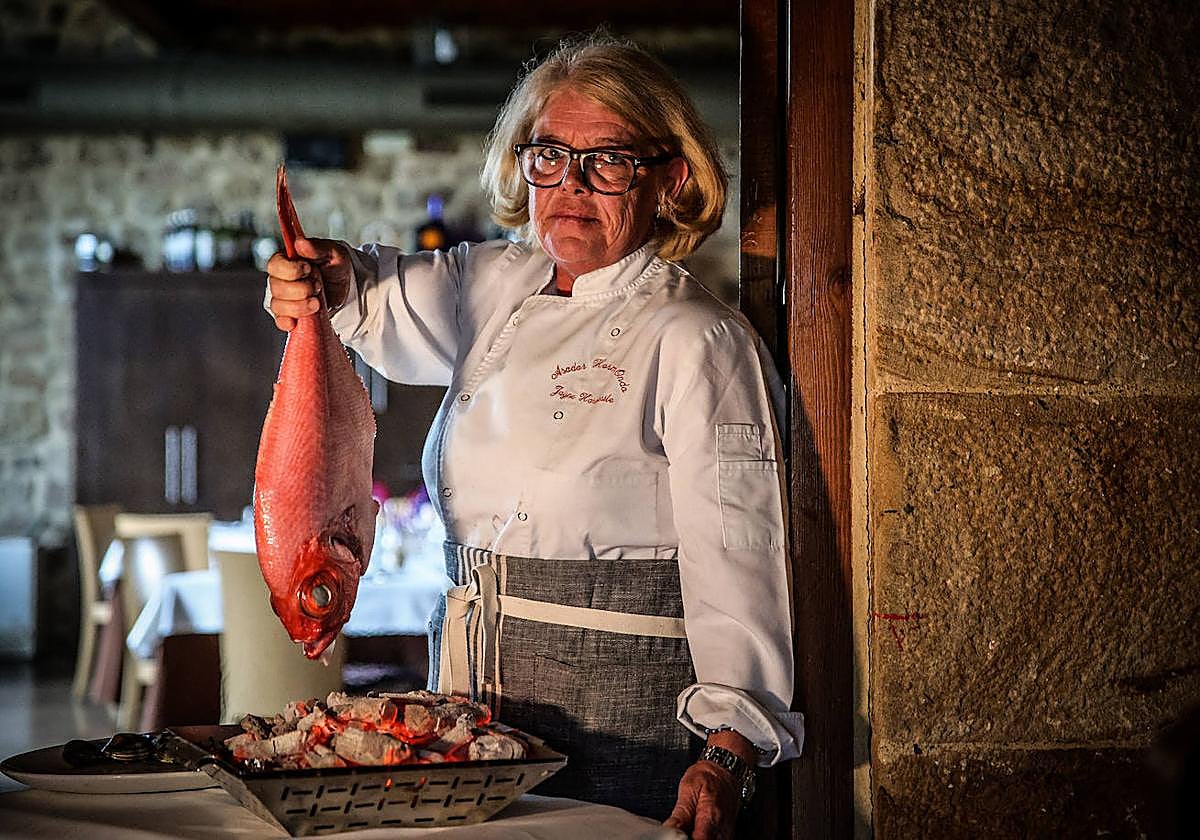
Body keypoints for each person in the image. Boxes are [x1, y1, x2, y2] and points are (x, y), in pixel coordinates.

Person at [266, 34, 803, 839]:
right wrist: (322, 276)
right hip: (475, 733)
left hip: (623, 735)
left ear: (671, 177)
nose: (571, 186)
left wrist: (729, 748)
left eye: (609, 161)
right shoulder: (500, 282)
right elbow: (376, 295)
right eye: (549, 155)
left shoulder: (695, 339)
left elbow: (742, 554)